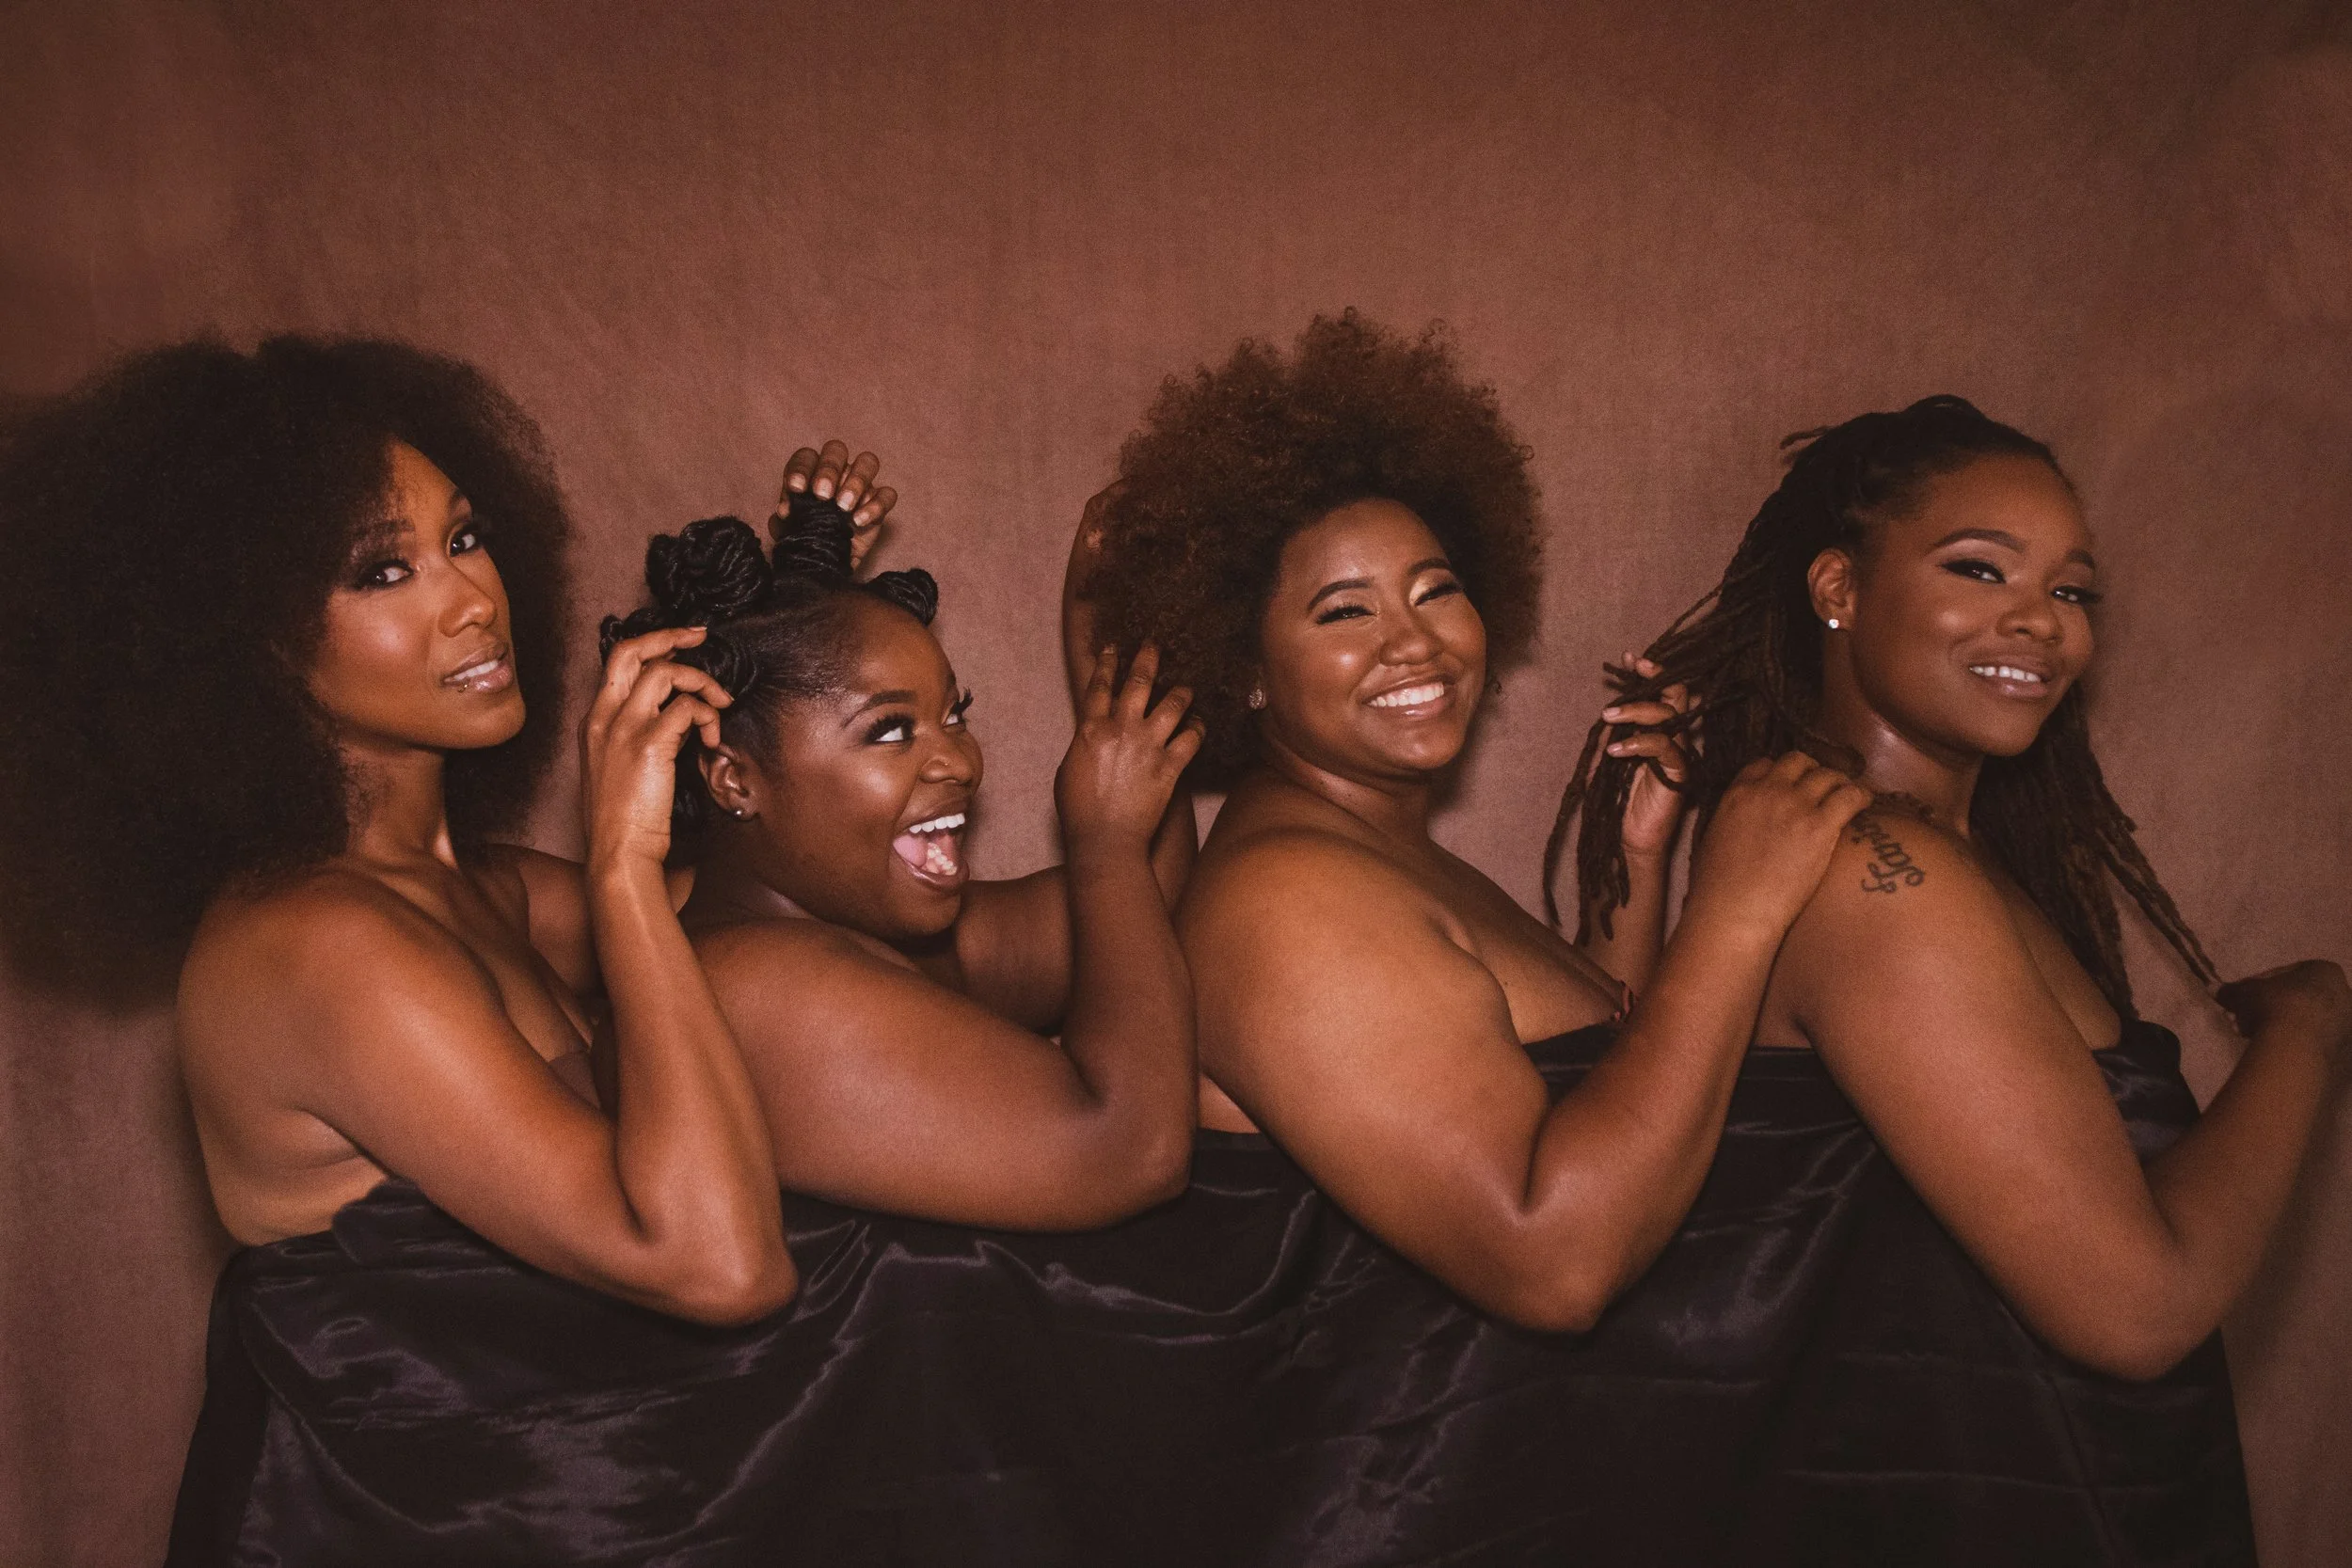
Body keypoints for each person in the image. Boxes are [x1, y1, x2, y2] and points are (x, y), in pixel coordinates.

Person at [0, 336, 842, 1562]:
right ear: (252, 646)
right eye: (383, 570)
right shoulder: (315, 944)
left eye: (461, 535)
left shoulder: (468, 888)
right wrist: (618, 870)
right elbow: (720, 1264)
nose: (469, 595)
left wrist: (789, 620)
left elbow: (790, 921)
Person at [1072, 311, 1874, 1563]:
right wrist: (1741, 908)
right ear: (1245, 671)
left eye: (1436, 586)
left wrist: (1644, 865)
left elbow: (1592, 1090)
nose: (1414, 639)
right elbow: (1554, 1254)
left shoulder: (1387, 852)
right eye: (1344, 610)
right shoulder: (1290, 903)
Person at [1551, 394, 2351, 1563]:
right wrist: (2304, 1028)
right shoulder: (1885, 877)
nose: (2039, 621)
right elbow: (2137, 1309)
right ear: (1837, 588)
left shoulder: (1933, 855)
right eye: (1979, 569)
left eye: (2071, 591)